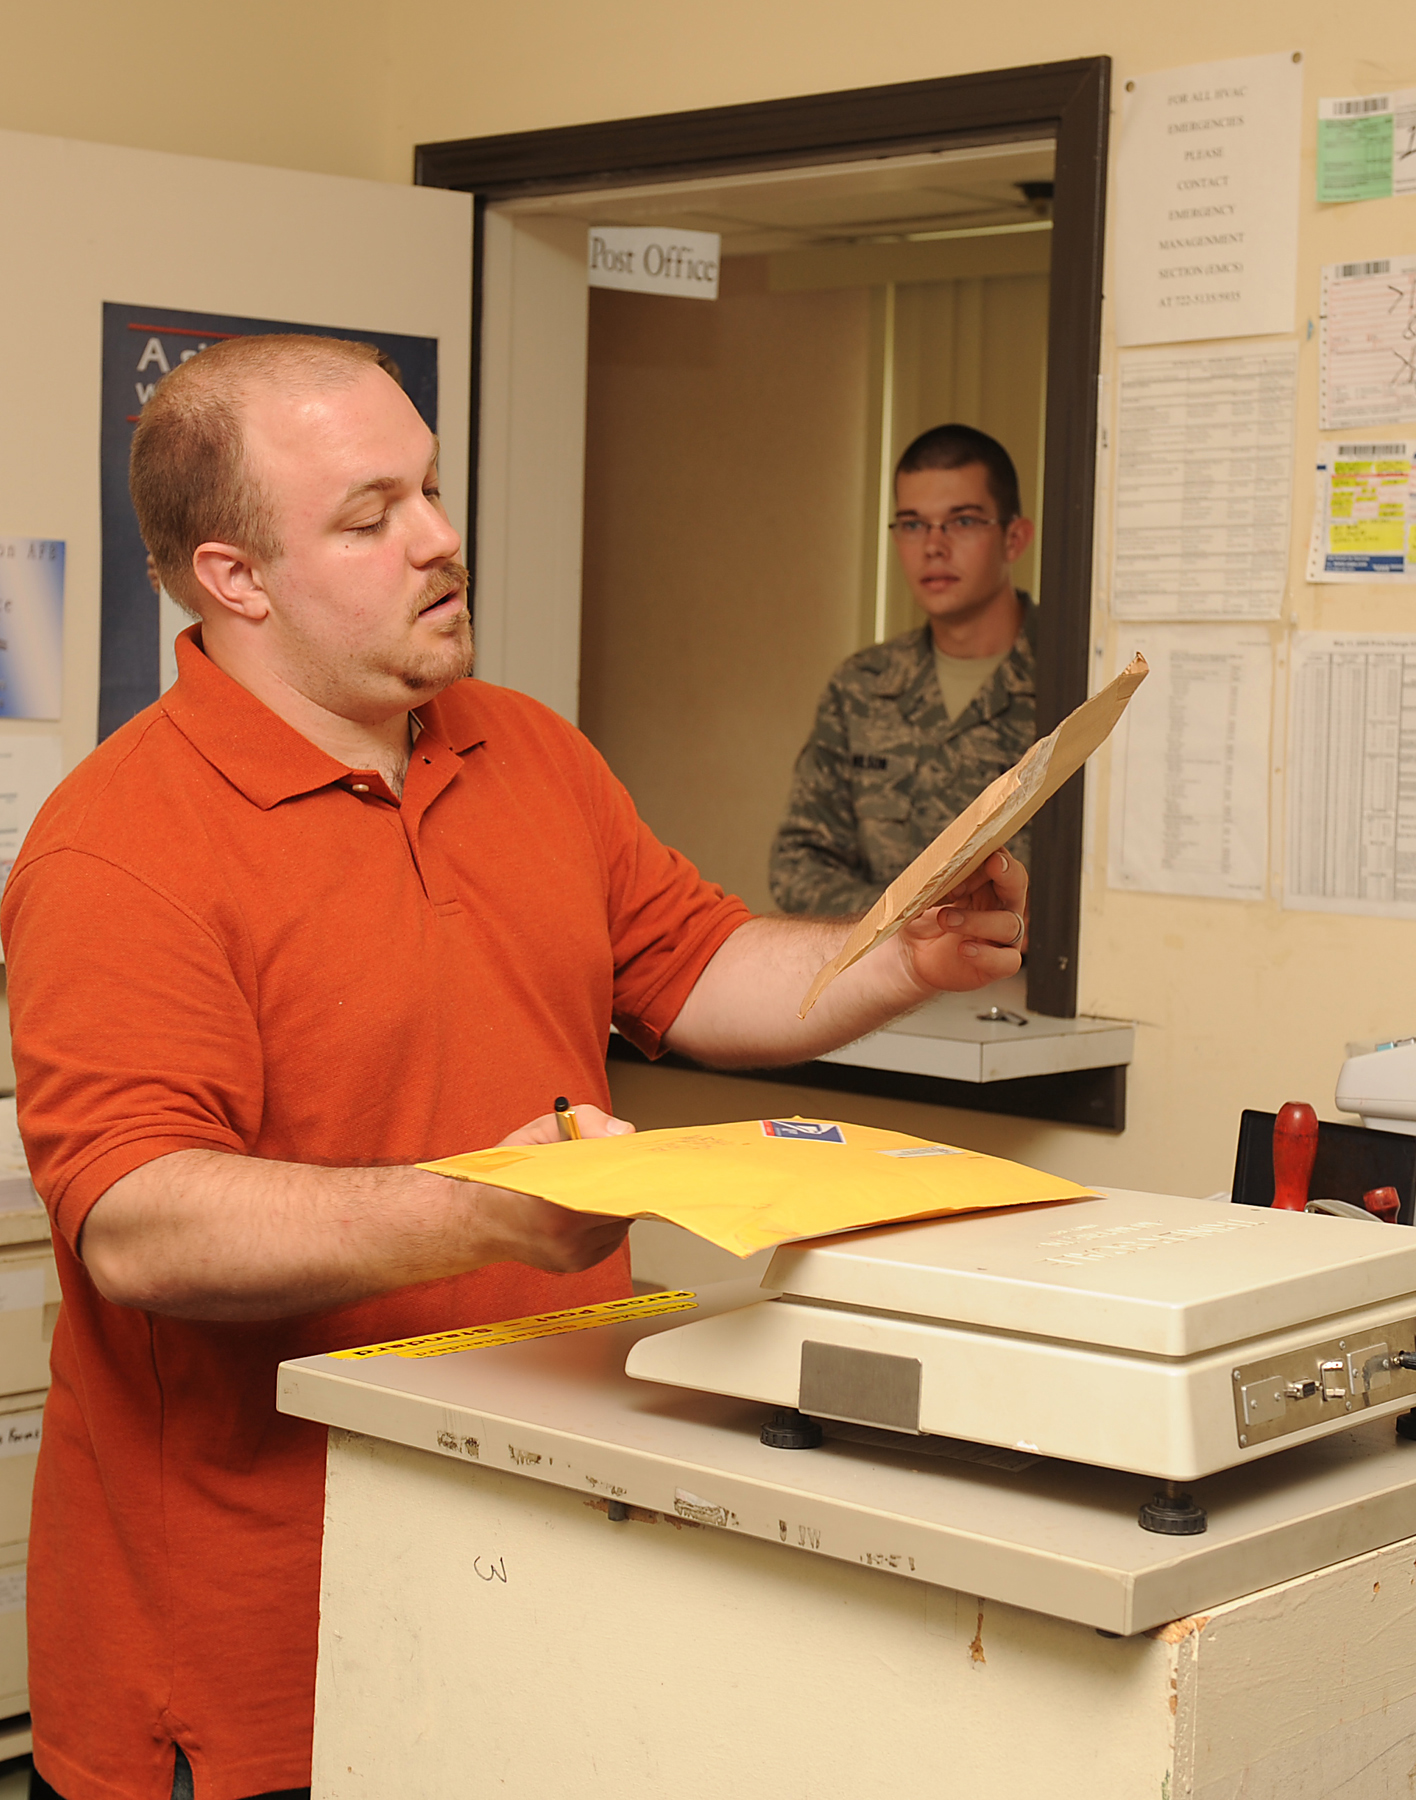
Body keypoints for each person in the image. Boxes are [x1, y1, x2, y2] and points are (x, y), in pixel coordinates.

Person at [2, 336, 1030, 1800]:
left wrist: (899, 958)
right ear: (235, 578)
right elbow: (142, 1225)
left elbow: (693, 964)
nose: (437, 539)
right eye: (369, 518)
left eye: (429, 490)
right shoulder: (122, 843)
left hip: (531, 1570)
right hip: (251, 1667)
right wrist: (485, 1207)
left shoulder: (524, 749)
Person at [770, 423, 1037, 916]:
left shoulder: (1075, 683)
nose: (933, 546)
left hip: (1025, 981)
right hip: (888, 983)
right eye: (913, 524)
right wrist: (911, 922)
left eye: (962, 521)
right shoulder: (862, 687)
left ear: (1014, 538)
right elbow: (798, 865)